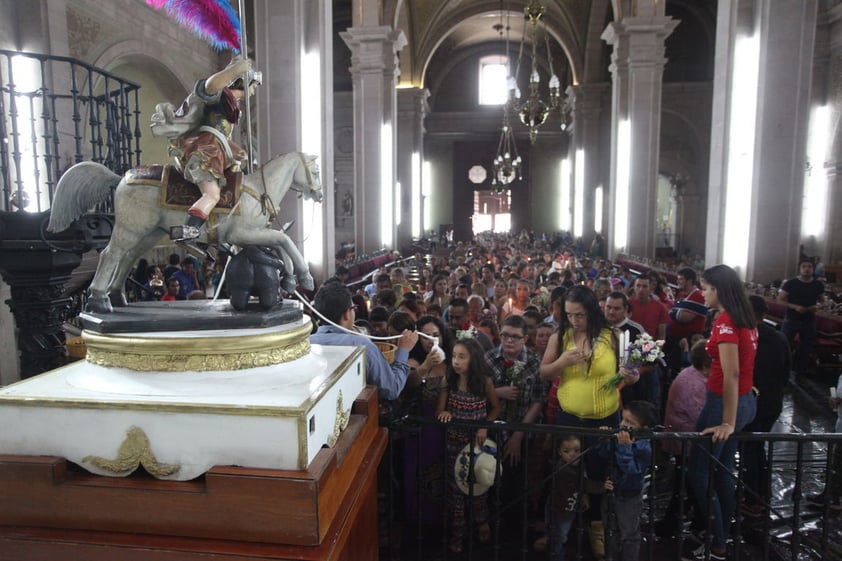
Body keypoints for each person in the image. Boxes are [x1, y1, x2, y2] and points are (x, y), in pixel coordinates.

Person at [539, 285, 637, 561]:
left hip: (604, 417)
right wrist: (562, 362)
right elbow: (544, 373)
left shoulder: (613, 336)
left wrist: (631, 376)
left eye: (579, 315)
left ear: (591, 311)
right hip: (569, 417)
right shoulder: (561, 337)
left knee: (598, 473)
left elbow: (630, 372)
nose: (574, 320)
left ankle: (596, 526)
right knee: (565, 474)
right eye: (569, 315)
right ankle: (558, 528)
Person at [684, 264, 758, 561]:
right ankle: (722, 536)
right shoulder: (747, 317)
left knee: (699, 472)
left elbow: (732, 373)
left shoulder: (726, 322)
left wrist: (726, 420)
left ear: (718, 289)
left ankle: (717, 541)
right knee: (724, 470)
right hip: (745, 401)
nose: (702, 293)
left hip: (724, 403)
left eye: (705, 288)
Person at [152, 57, 261, 241]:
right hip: (205, 150)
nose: (253, 91)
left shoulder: (232, 105)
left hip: (217, 150)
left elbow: (221, 134)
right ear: (244, 82)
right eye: (253, 86)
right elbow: (209, 86)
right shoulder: (220, 95)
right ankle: (187, 231)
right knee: (212, 194)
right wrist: (234, 70)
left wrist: (236, 150)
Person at [436, 336, 502, 554]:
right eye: (454, 356)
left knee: (478, 487)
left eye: (462, 357)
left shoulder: (484, 381)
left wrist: (484, 426)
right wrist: (444, 412)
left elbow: (495, 408)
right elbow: (439, 410)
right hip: (454, 445)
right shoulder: (449, 380)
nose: (456, 361)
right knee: (455, 491)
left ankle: (482, 522)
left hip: (476, 445)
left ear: (473, 359)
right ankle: (458, 534)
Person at [309, 281, 418, 402]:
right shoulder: (362, 345)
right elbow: (392, 389)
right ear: (346, 314)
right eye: (353, 308)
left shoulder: (306, 344)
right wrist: (403, 350)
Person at [741, 295, 791, 516]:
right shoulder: (780, 338)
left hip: (753, 403)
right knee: (758, 448)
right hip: (773, 402)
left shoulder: (748, 338)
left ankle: (753, 498)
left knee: (750, 450)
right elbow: (787, 372)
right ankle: (762, 494)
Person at [598, 401, 658, 561]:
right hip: (611, 491)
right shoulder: (620, 437)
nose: (623, 425)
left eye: (630, 422)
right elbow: (604, 455)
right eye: (623, 419)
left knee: (629, 534)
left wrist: (624, 448)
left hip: (629, 496)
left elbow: (633, 472)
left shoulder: (644, 447)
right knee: (610, 529)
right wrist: (604, 439)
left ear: (643, 428)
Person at [778, 257, 824, 376]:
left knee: (806, 347)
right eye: (804, 267)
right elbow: (780, 300)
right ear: (800, 269)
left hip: (809, 319)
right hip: (791, 319)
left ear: (813, 269)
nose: (807, 269)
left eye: (809, 267)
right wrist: (794, 307)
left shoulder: (817, 285)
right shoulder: (791, 283)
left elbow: (822, 301)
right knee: (785, 344)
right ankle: (782, 368)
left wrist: (817, 306)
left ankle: (801, 370)